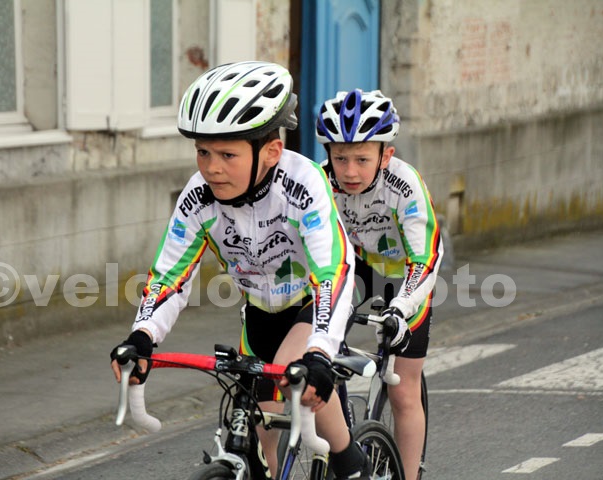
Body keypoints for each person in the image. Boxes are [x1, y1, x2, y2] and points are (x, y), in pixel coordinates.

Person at [110, 61, 371, 479]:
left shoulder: (302, 184)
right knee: (258, 436)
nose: (211, 168)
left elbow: (333, 272)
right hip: (259, 315)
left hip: (313, 304)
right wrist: (143, 335)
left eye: (227, 155)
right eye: (203, 152)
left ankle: (349, 460)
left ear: (271, 152)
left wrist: (321, 351)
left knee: (294, 377)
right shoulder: (199, 196)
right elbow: (170, 275)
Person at [315, 88, 443, 480]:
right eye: (340, 158)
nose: (349, 171)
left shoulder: (405, 184)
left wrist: (401, 309)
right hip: (356, 269)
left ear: (385, 156)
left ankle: (409, 475)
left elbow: (426, 258)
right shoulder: (320, 181)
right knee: (321, 352)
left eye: (362, 159)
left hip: (406, 276)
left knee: (403, 390)